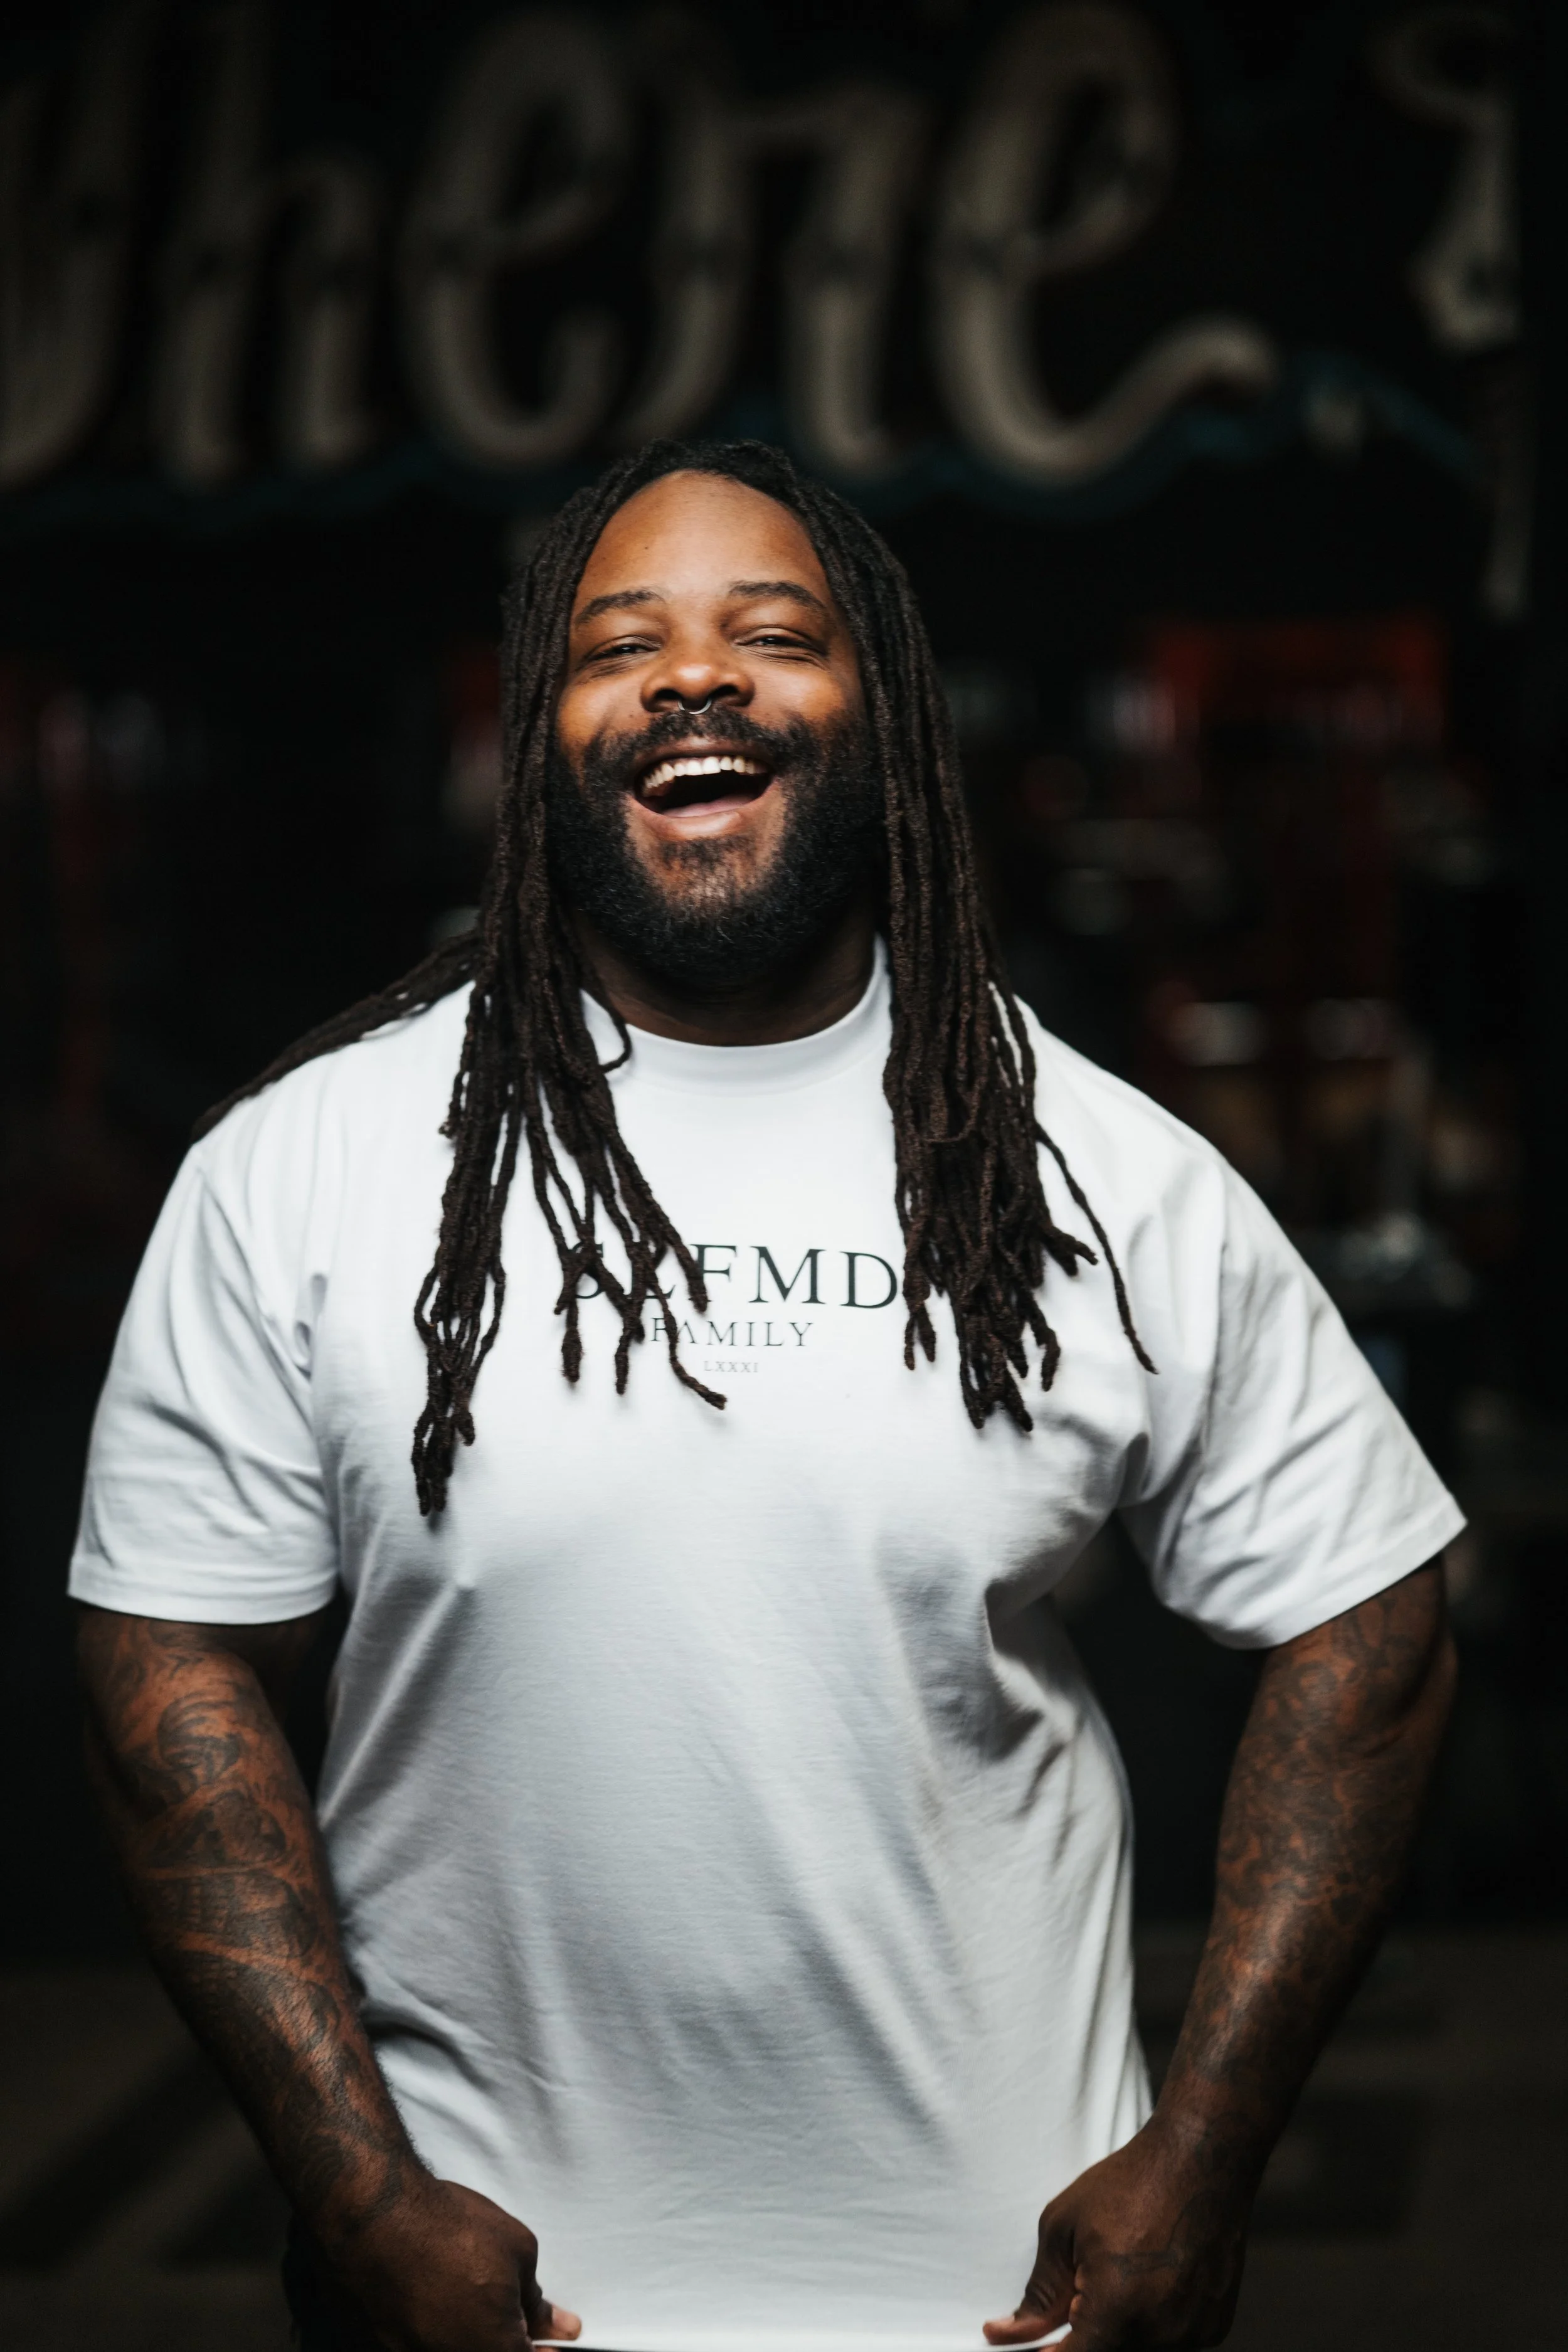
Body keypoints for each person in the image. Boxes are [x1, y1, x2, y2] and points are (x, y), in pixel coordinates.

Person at [72, 440, 1460, 2352]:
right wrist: (357, 2187)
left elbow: (1370, 1620)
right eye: (615, 641)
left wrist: (1204, 2154)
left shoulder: (1095, 1168)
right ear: (538, 737)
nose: (694, 676)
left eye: (775, 633)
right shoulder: (306, 1166)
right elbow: (166, 1665)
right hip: (484, 2306)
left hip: (1006, 2306)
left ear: (876, 713)